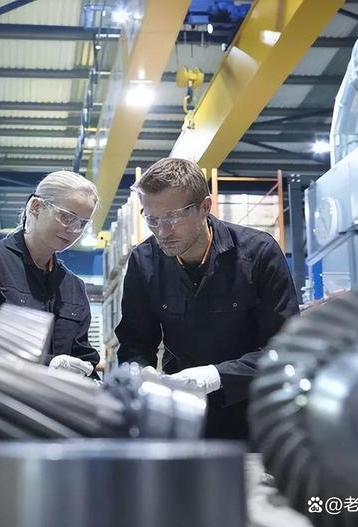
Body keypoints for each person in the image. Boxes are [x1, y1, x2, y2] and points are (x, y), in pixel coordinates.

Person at [115, 158, 299, 440]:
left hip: (254, 412)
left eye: (173, 217)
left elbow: (285, 348)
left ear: (205, 207)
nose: (163, 231)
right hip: (183, 414)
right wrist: (144, 373)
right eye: (152, 219)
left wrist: (216, 376)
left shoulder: (258, 253)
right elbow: (134, 341)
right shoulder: (144, 261)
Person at [0, 170, 100, 376]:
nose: (74, 230)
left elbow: (82, 355)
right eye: (66, 217)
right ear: (36, 207)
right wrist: (47, 363)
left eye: (82, 223)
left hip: (53, 395)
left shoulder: (73, 287)